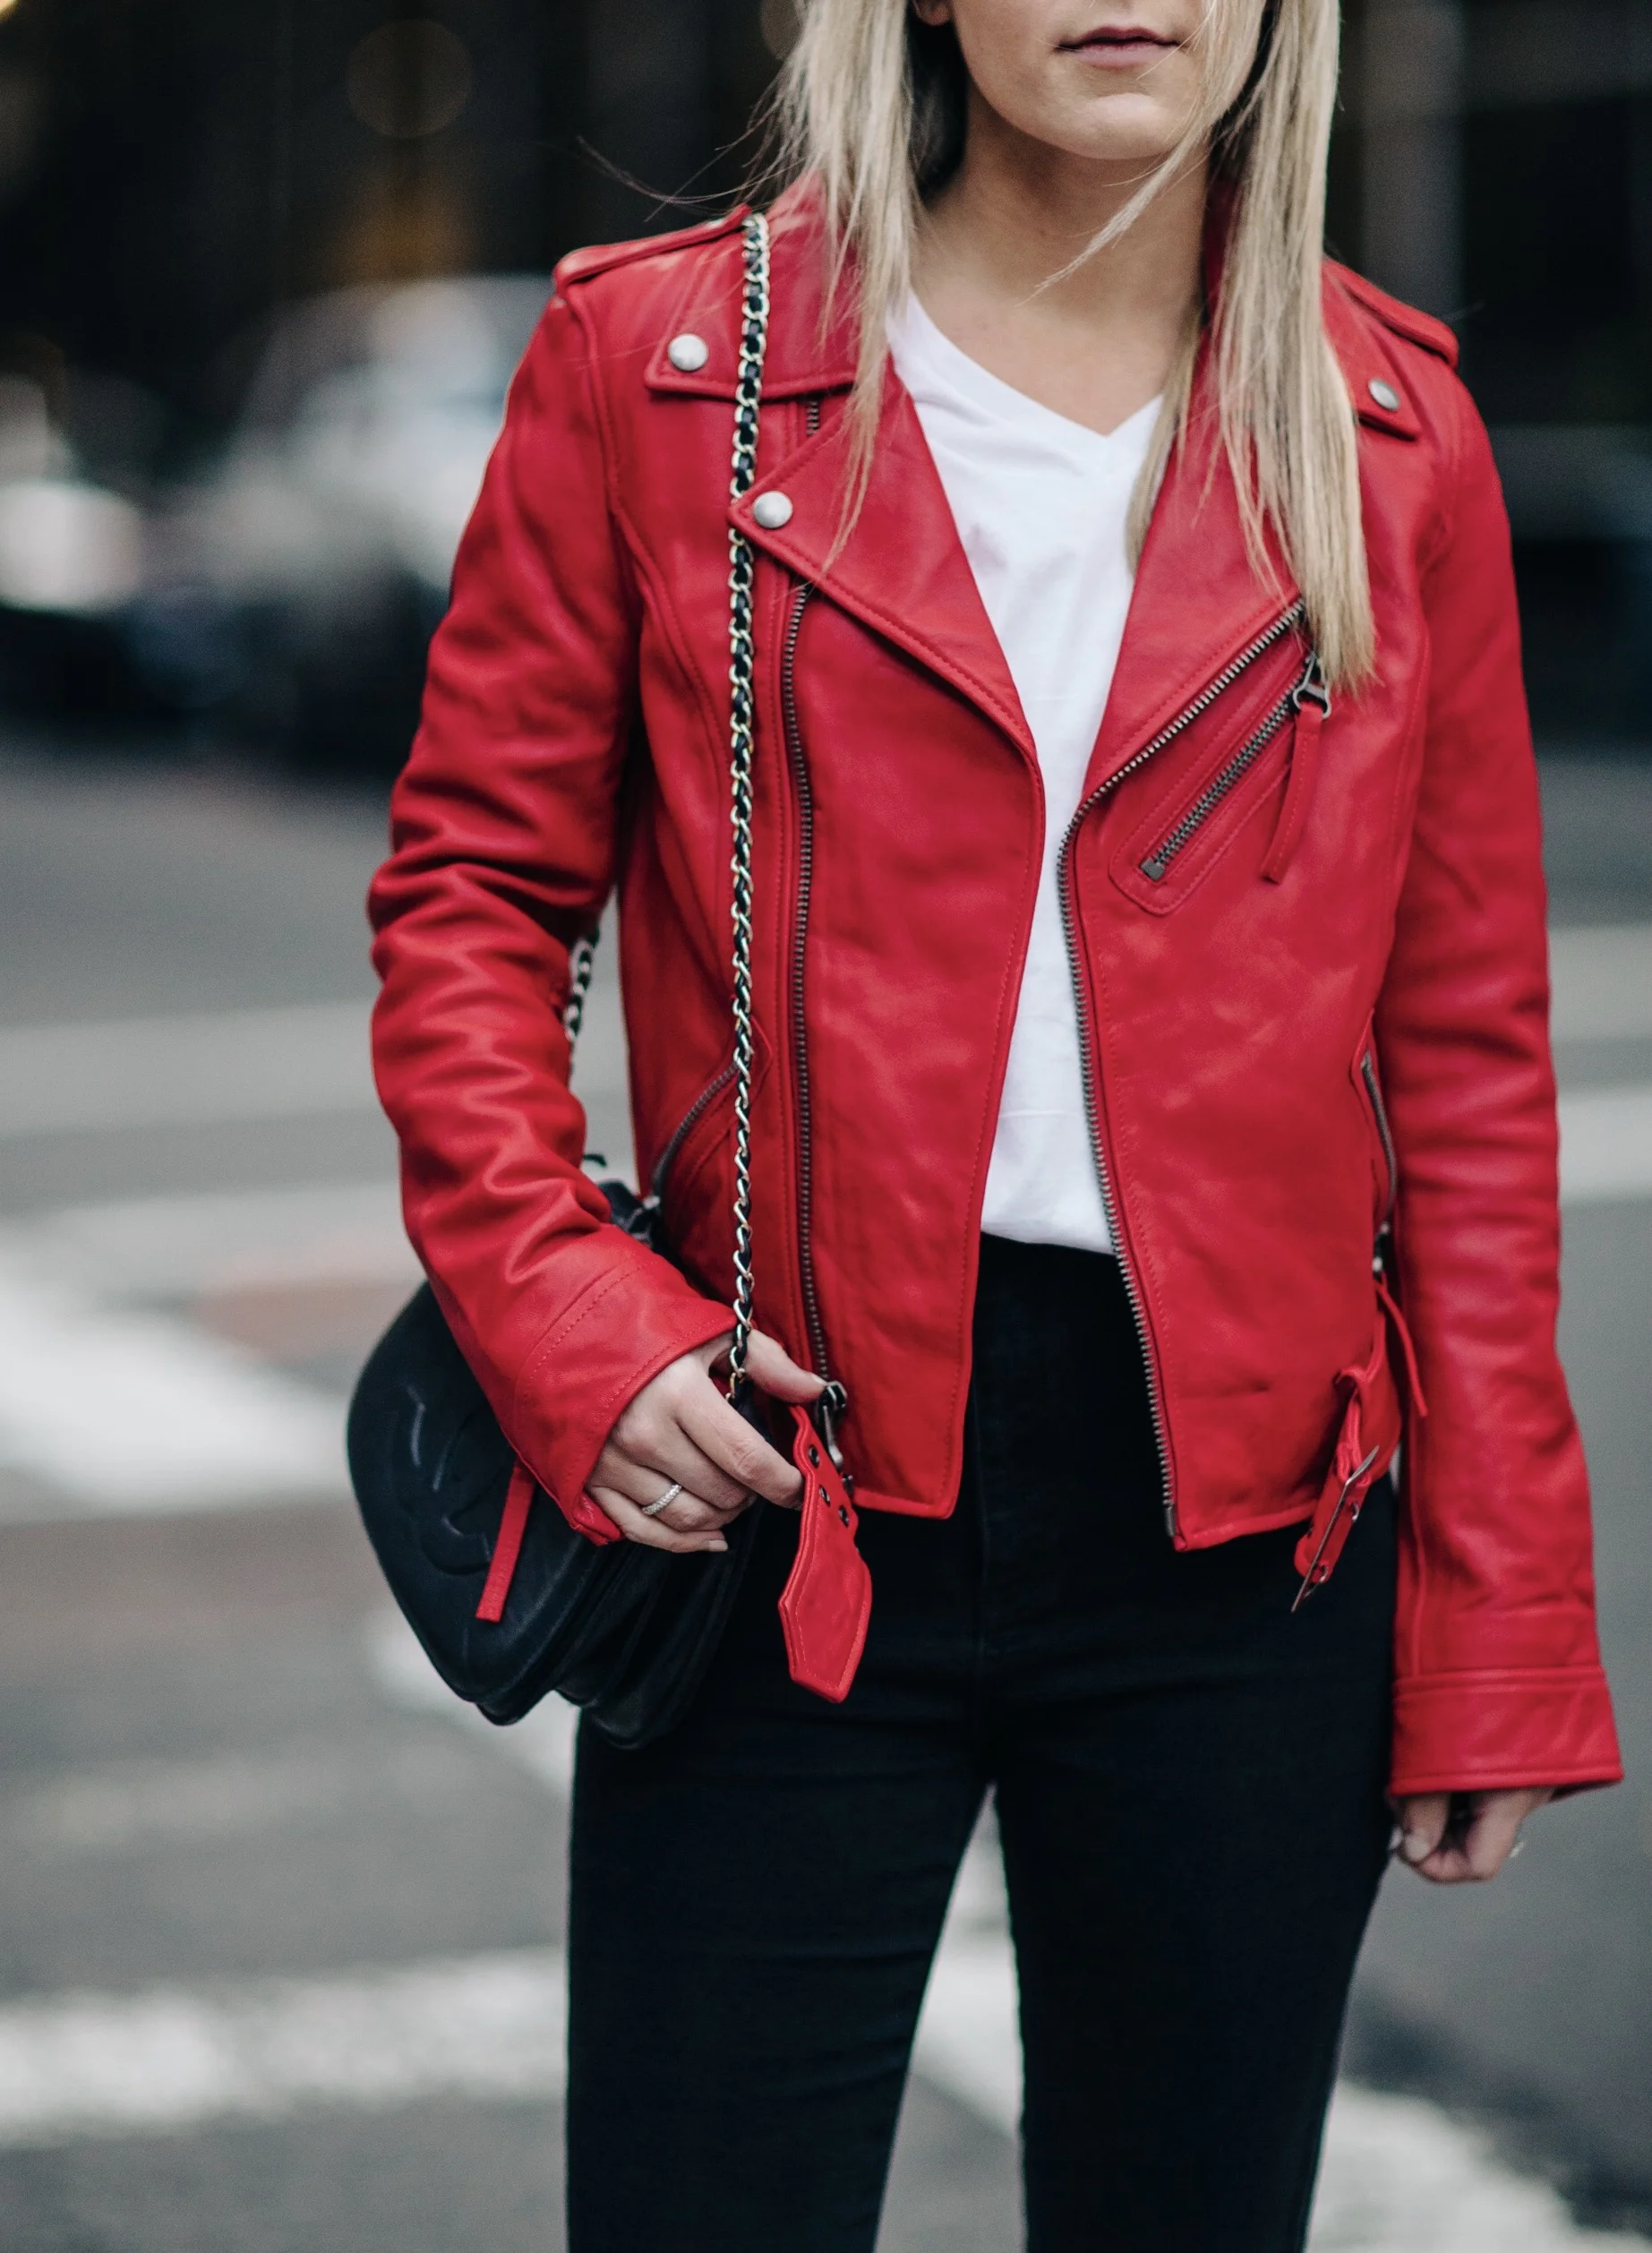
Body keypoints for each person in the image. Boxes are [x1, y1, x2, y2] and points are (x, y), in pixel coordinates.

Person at [367, 1, 1622, 2245]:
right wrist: (573, 1318)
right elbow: (472, 902)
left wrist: (1498, 1611)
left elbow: (1463, 1061)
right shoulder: (663, 369)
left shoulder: (1389, 430)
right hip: (772, 1490)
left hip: (1255, 1547)